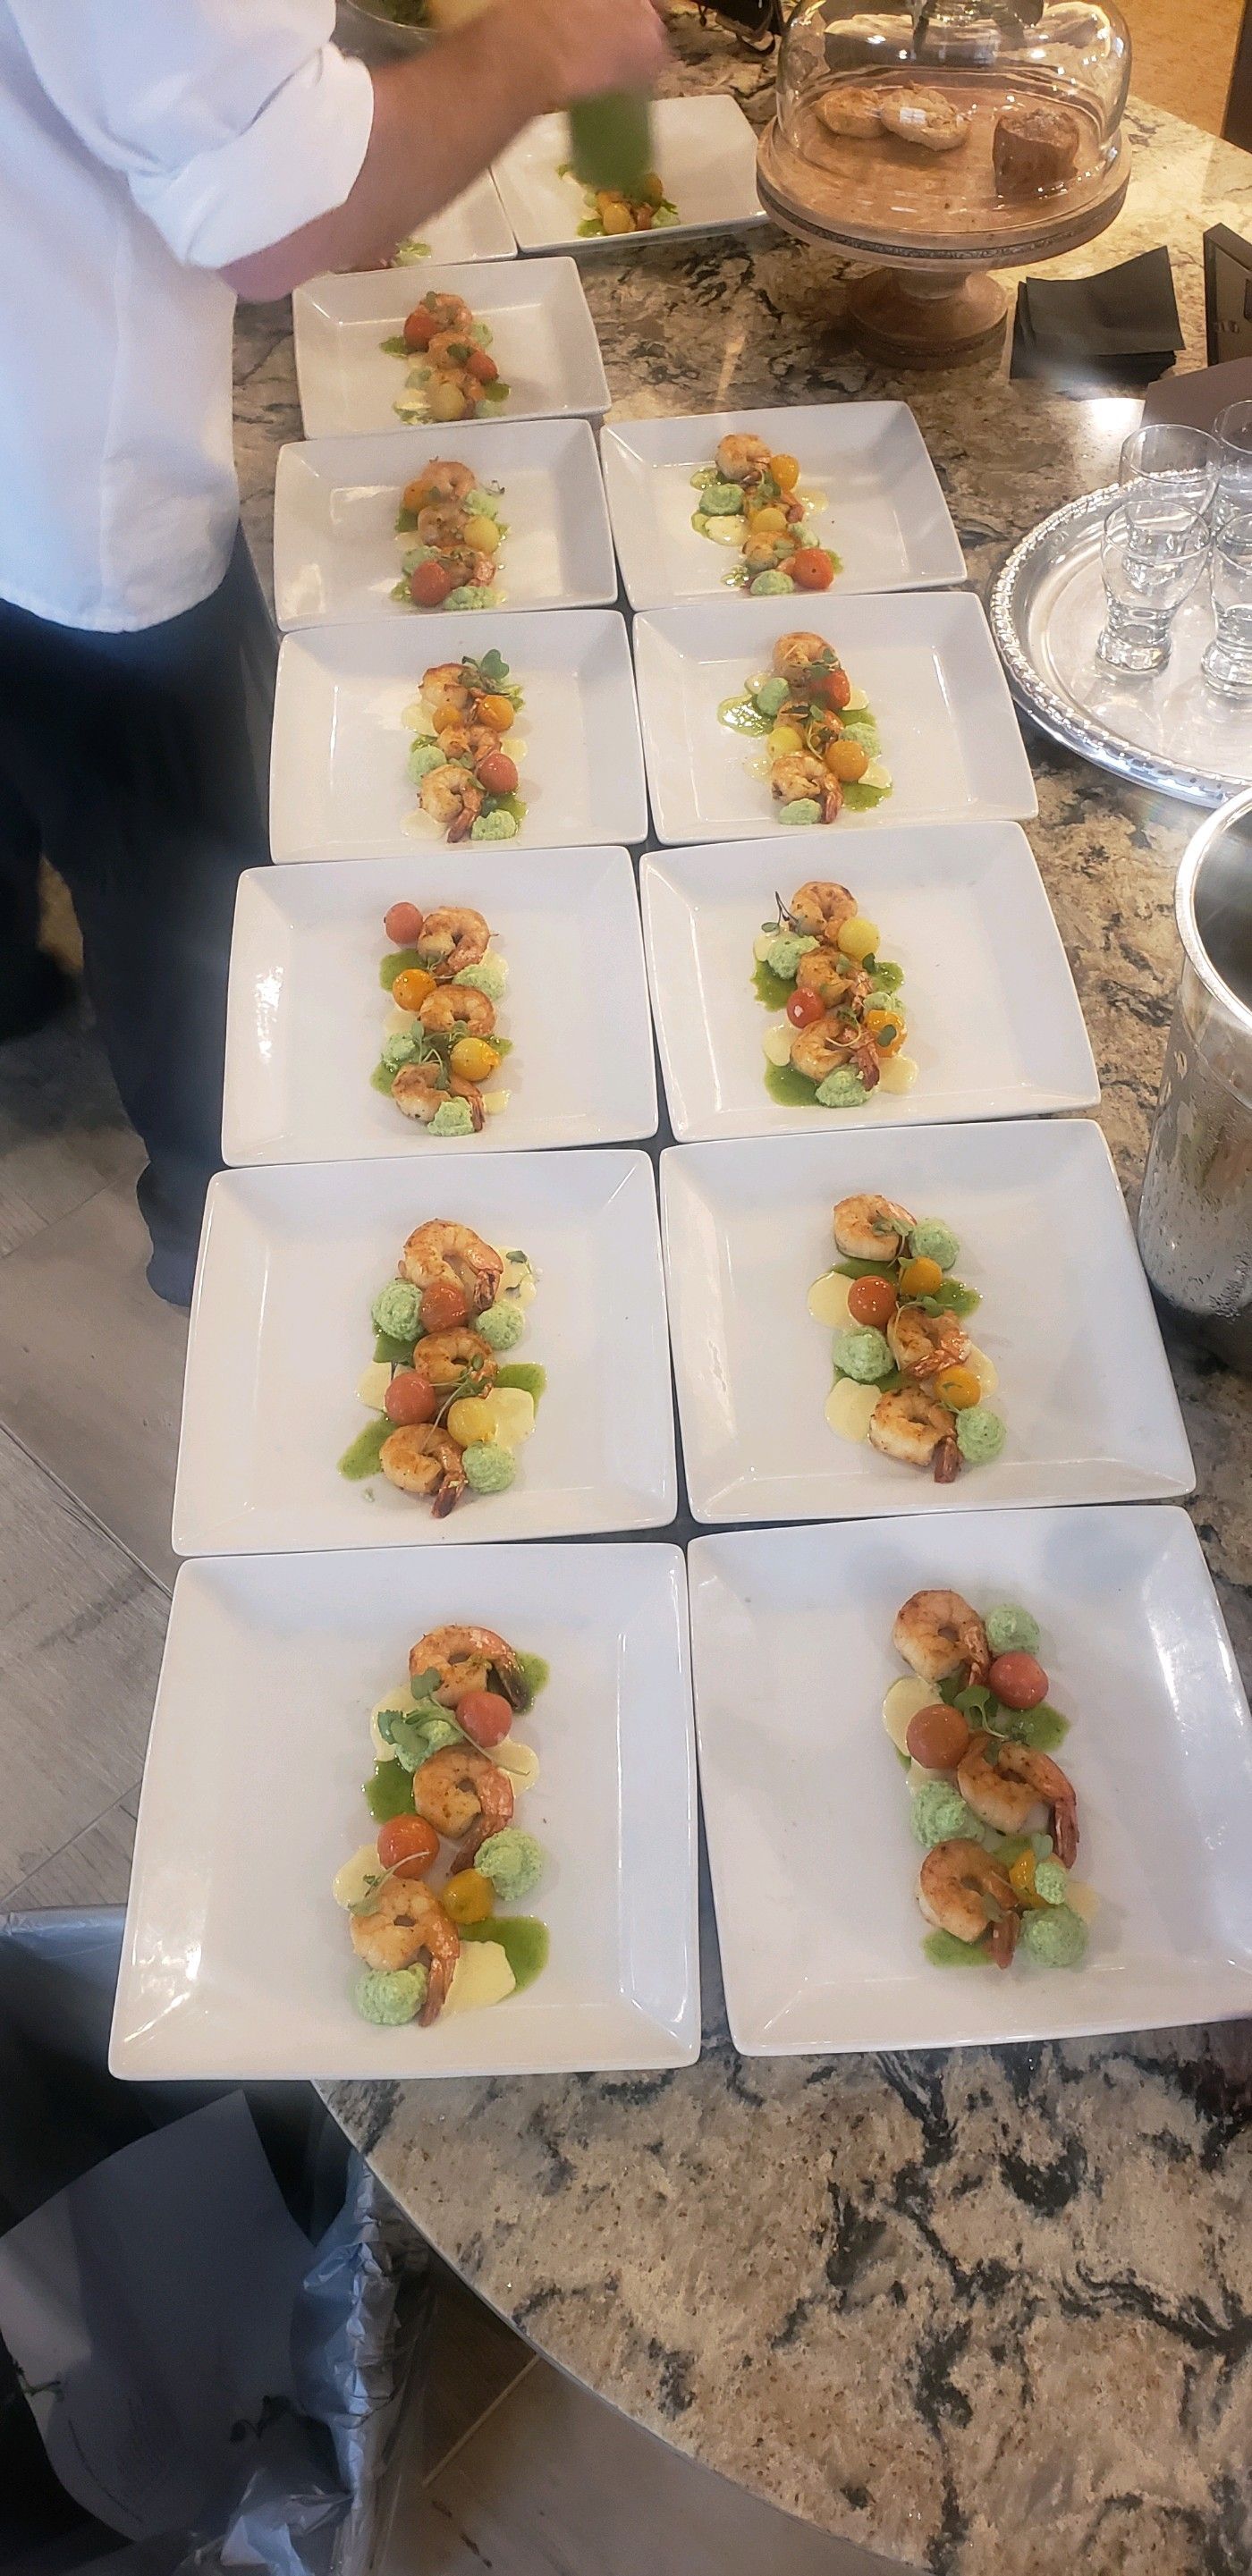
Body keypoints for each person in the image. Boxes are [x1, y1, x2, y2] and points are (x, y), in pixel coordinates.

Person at [0, 0, 666, 1302]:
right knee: (187, 895)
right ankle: (226, 1212)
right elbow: (279, 217)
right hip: (69, 490)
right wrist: (546, 45)